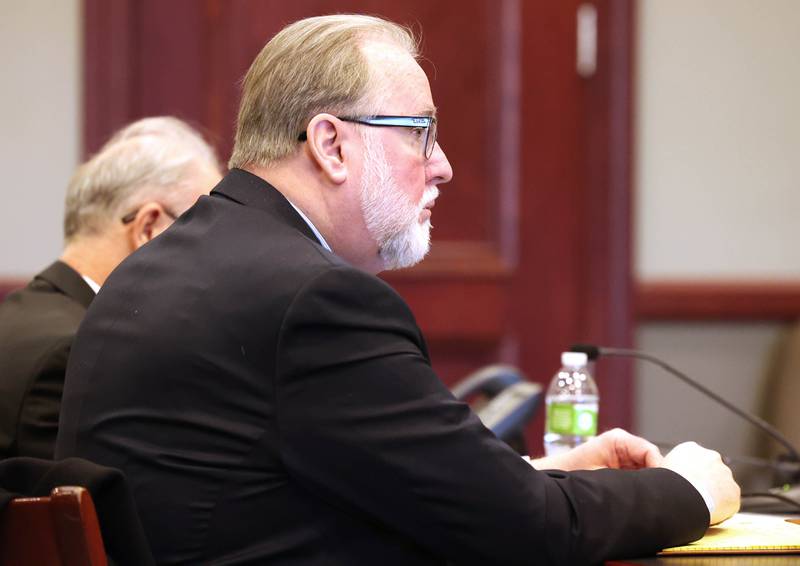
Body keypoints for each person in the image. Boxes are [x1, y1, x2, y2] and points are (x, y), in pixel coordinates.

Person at [55, 15, 739, 565]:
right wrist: (686, 492)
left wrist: (543, 469)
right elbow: (526, 532)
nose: (442, 167)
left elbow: (361, 478)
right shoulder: (311, 301)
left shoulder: (151, 271)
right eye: (420, 133)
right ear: (331, 145)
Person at [0, 117, 222, 459]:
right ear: (148, 228)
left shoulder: (17, 318)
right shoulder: (80, 354)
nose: (214, 262)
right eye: (204, 234)